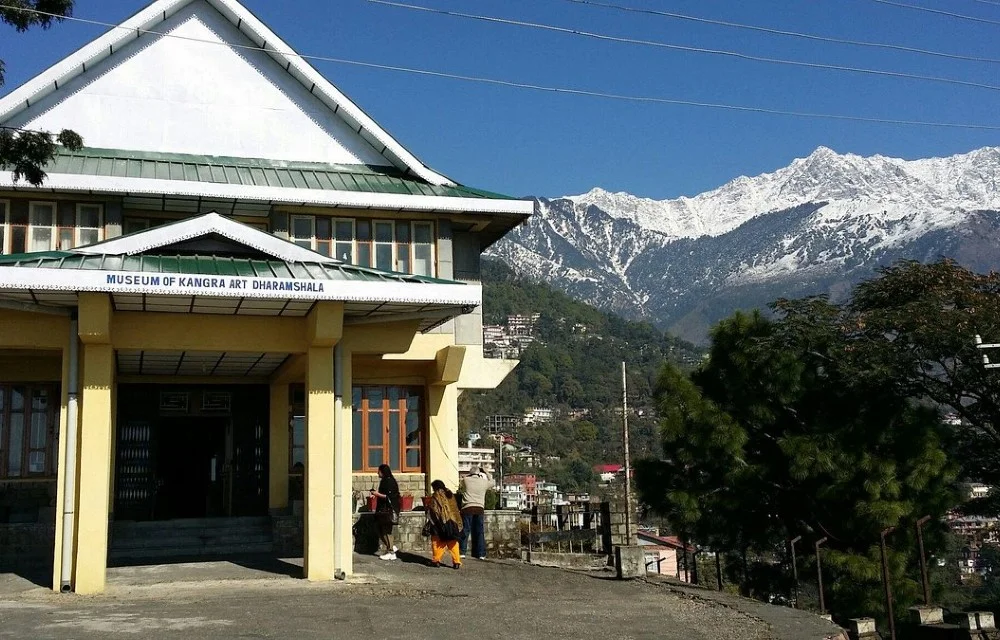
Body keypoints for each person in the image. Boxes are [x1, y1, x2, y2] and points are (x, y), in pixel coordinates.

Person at [426, 479, 463, 569]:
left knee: (437, 542)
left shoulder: (436, 496)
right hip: (453, 522)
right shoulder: (450, 494)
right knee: (453, 542)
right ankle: (457, 562)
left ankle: (436, 560)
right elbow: (455, 509)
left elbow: (433, 510)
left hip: (440, 523)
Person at [459, 467, 491, 560]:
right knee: (479, 532)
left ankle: (462, 552)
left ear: (470, 473)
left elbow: (462, 480)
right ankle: (481, 554)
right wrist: (486, 472)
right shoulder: (484, 482)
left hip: (467, 508)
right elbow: (492, 481)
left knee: (465, 530)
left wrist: (468, 475)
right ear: (479, 474)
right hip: (479, 508)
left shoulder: (466, 480)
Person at [370, 463, 401, 560]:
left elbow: (388, 497)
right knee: (381, 529)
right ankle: (390, 547)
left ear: (383, 472)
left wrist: (376, 494)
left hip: (388, 511)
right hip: (382, 510)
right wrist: (376, 495)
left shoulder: (389, 482)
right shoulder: (385, 481)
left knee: (386, 530)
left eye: (378, 471)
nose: (377, 473)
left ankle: (391, 551)